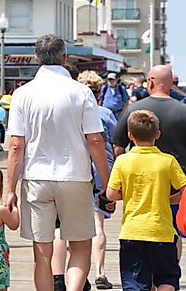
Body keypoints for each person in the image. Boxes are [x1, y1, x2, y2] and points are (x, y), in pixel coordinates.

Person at [5, 34, 111, 291]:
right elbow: (95, 141)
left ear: (36, 58)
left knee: (42, 253)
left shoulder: (22, 93)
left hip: (36, 178)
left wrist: (10, 189)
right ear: (64, 58)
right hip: (75, 176)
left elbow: (16, 145)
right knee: (80, 246)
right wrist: (107, 184)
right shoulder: (81, 92)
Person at [112, 65, 186, 260]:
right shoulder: (183, 111)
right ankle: (169, 273)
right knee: (172, 231)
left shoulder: (135, 109)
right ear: (171, 83)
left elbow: (118, 146)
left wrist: (118, 175)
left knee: (142, 230)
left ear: (151, 81)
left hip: (139, 185)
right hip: (177, 187)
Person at [107, 110, 186, 291]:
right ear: (158, 134)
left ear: (130, 136)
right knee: (167, 278)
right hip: (162, 232)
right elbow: (184, 188)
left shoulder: (123, 161)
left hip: (132, 232)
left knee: (135, 283)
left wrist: (128, 194)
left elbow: (111, 195)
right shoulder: (168, 161)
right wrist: (170, 199)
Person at [76, 71, 116, 290]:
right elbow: (116, 144)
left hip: (77, 168)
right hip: (102, 169)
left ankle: (78, 273)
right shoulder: (106, 113)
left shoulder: (72, 112)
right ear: (99, 92)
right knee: (98, 222)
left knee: (74, 224)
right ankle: (100, 272)